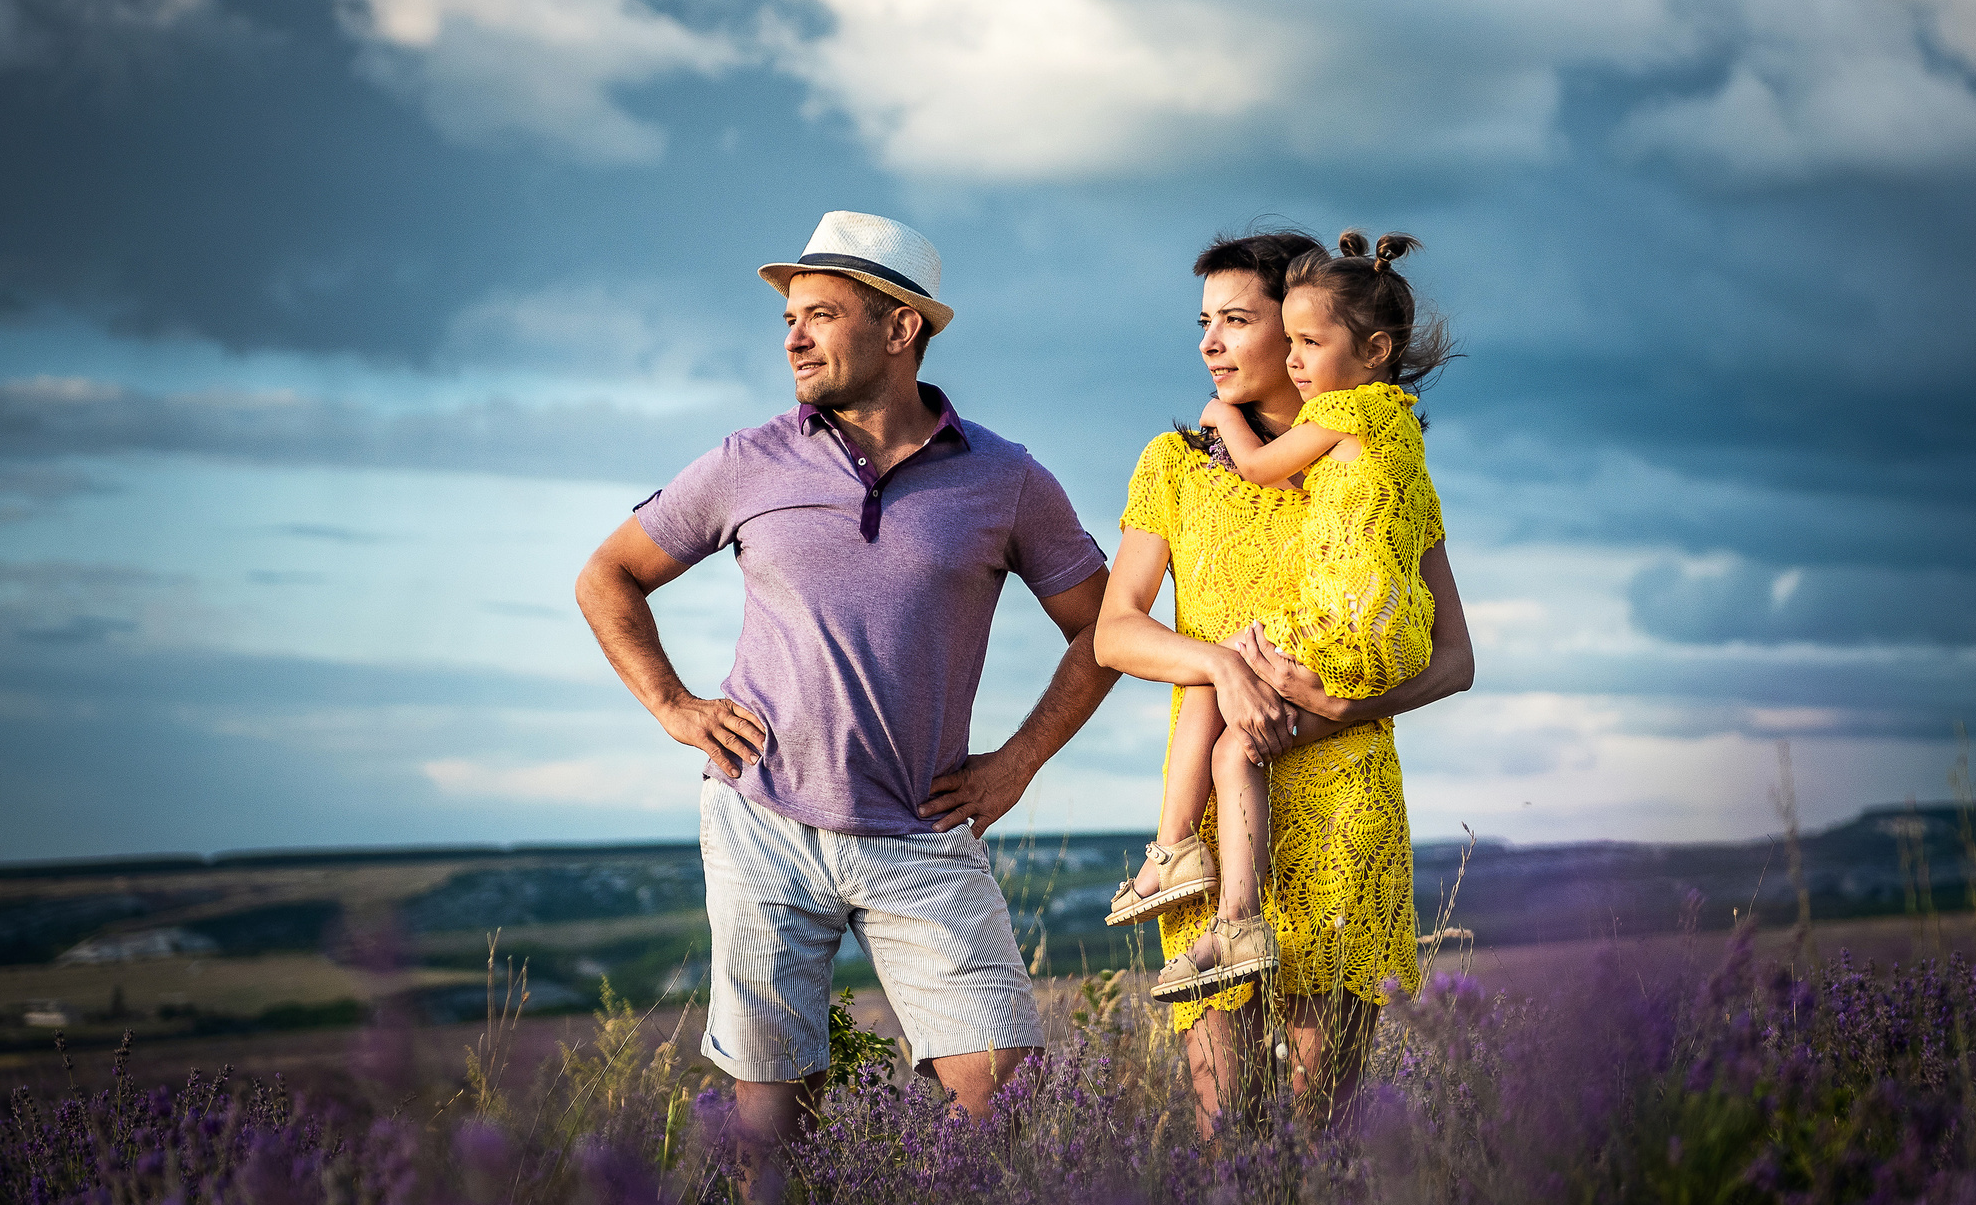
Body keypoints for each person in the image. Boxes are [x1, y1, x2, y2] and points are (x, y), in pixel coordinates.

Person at [574, 211, 1117, 1151]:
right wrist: (673, 705)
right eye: (790, 317)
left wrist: (1018, 763)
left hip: (922, 830)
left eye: (820, 314)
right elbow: (607, 576)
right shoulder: (749, 460)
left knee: (1000, 1092)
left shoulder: (1007, 478)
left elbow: (1104, 630)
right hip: (762, 824)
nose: (792, 336)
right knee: (774, 1125)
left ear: (900, 328)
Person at [1094, 229, 1476, 1131]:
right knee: (1230, 1136)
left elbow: (1455, 655)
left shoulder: (1375, 454)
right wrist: (1223, 664)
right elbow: (1115, 632)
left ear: (1299, 328)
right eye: (1204, 323)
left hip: (1343, 803)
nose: (1210, 343)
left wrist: (1357, 702)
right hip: (1216, 818)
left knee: (1323, 1134)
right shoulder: (1177, 461)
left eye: (1238, 320)